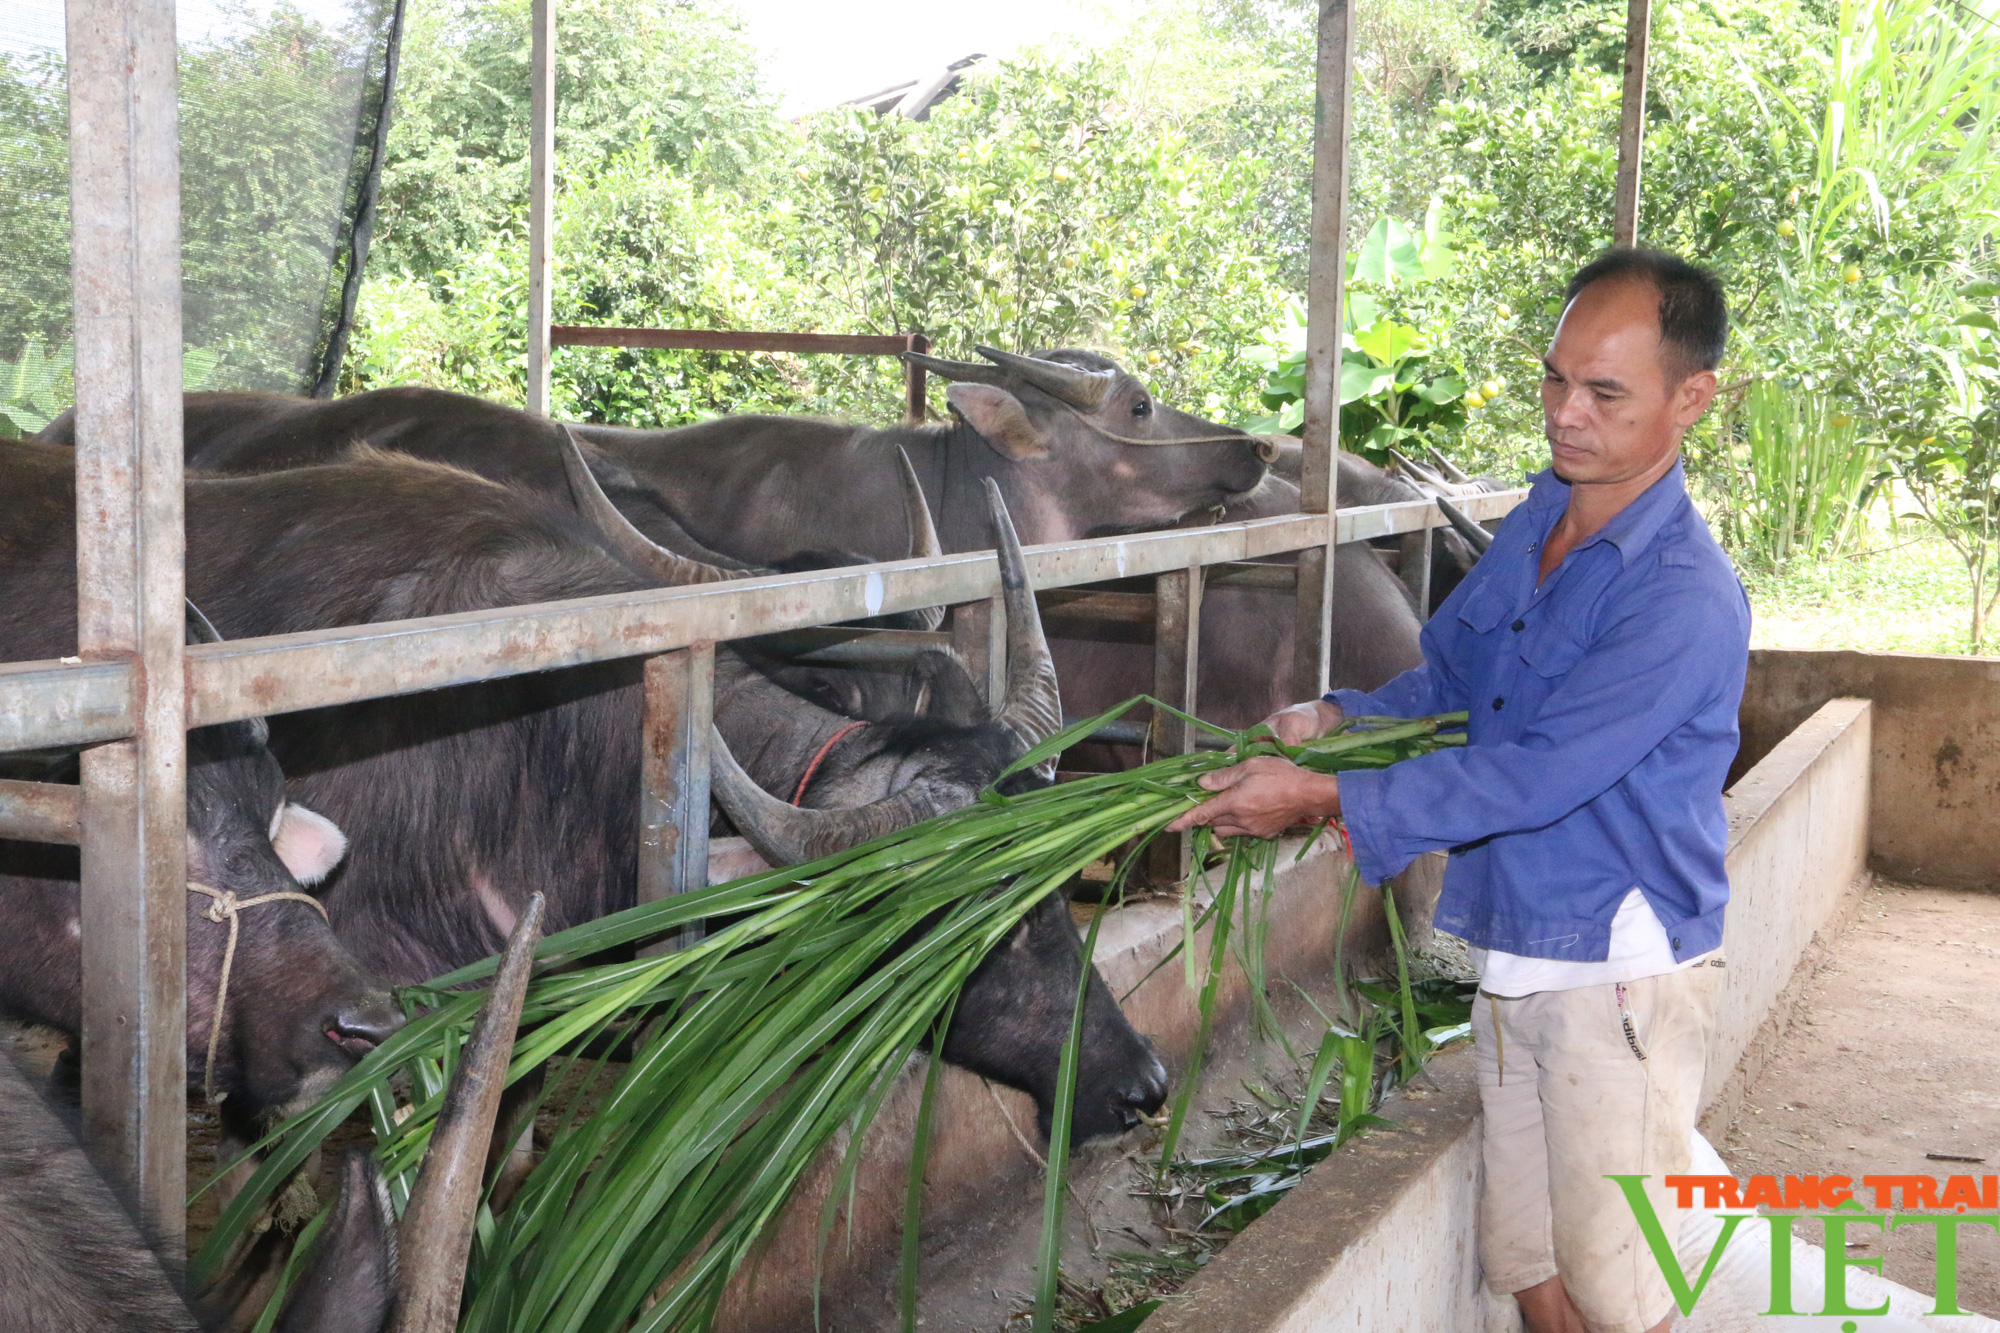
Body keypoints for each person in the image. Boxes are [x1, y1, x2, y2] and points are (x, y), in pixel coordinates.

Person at [1167, 247, 1749, 1333]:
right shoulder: (1544, 514)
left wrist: (1325, 799)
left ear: (1691, 399)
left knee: (1621, 1291)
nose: (1565, 414)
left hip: (1610, 973)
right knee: (1528, 1266)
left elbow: (1535, 773)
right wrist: (1337, 721)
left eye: (1603, 393)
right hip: (1516, 945)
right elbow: (1451, 679)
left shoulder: (1681, 598)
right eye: (1553, 378)